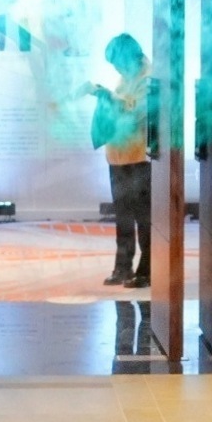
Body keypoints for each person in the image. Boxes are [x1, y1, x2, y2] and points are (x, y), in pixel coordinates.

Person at [90, 33, 158, 288]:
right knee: (123, 217)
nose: (115, 68)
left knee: (144, 217)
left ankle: (147, 270)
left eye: (116, 61)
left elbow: (137, 113)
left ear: (129, 55)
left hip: (139, 158)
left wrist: (110, 97)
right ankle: (123, 267)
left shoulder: (148, 79)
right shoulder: (125, 79)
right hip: (119, 156)